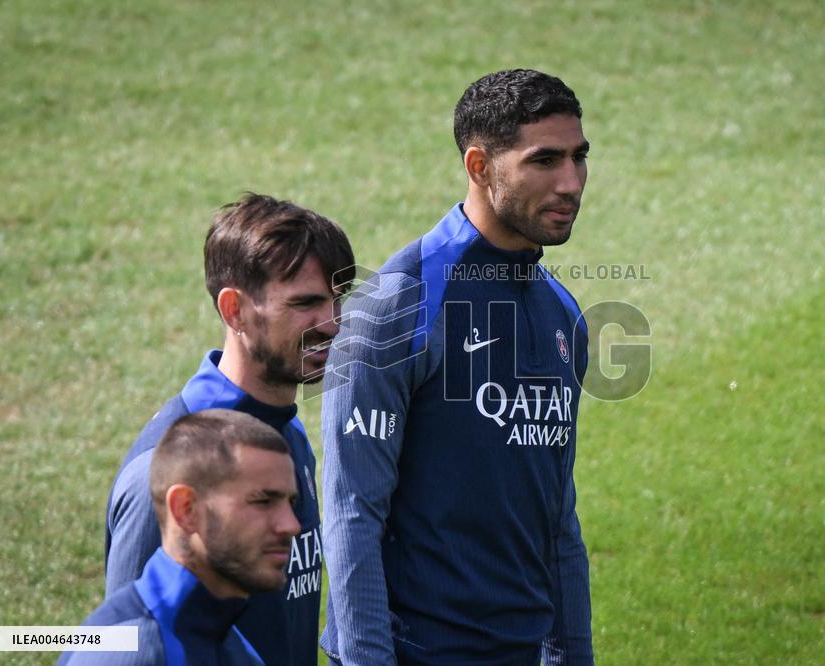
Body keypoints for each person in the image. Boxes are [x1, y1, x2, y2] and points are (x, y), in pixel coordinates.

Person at [321, 69, 594, 665]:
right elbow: (350, 513)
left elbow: (557, 520)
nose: (570, 182)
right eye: (544, 161)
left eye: (579, 157)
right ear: (478, 166)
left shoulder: (564, 315)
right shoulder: (398, 304)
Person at [105, 193, 355, 665]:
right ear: (235, 310)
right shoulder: (163, 470)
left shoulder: (286, 435)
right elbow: (125, 646)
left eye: (337, 300)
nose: (333, 324)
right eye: (305, 304)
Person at [60, 410, 301, 665]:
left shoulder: (232, 643)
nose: (291, 525)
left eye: (291, 503)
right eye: (263, 501)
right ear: (186, 509)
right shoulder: (130, 653)